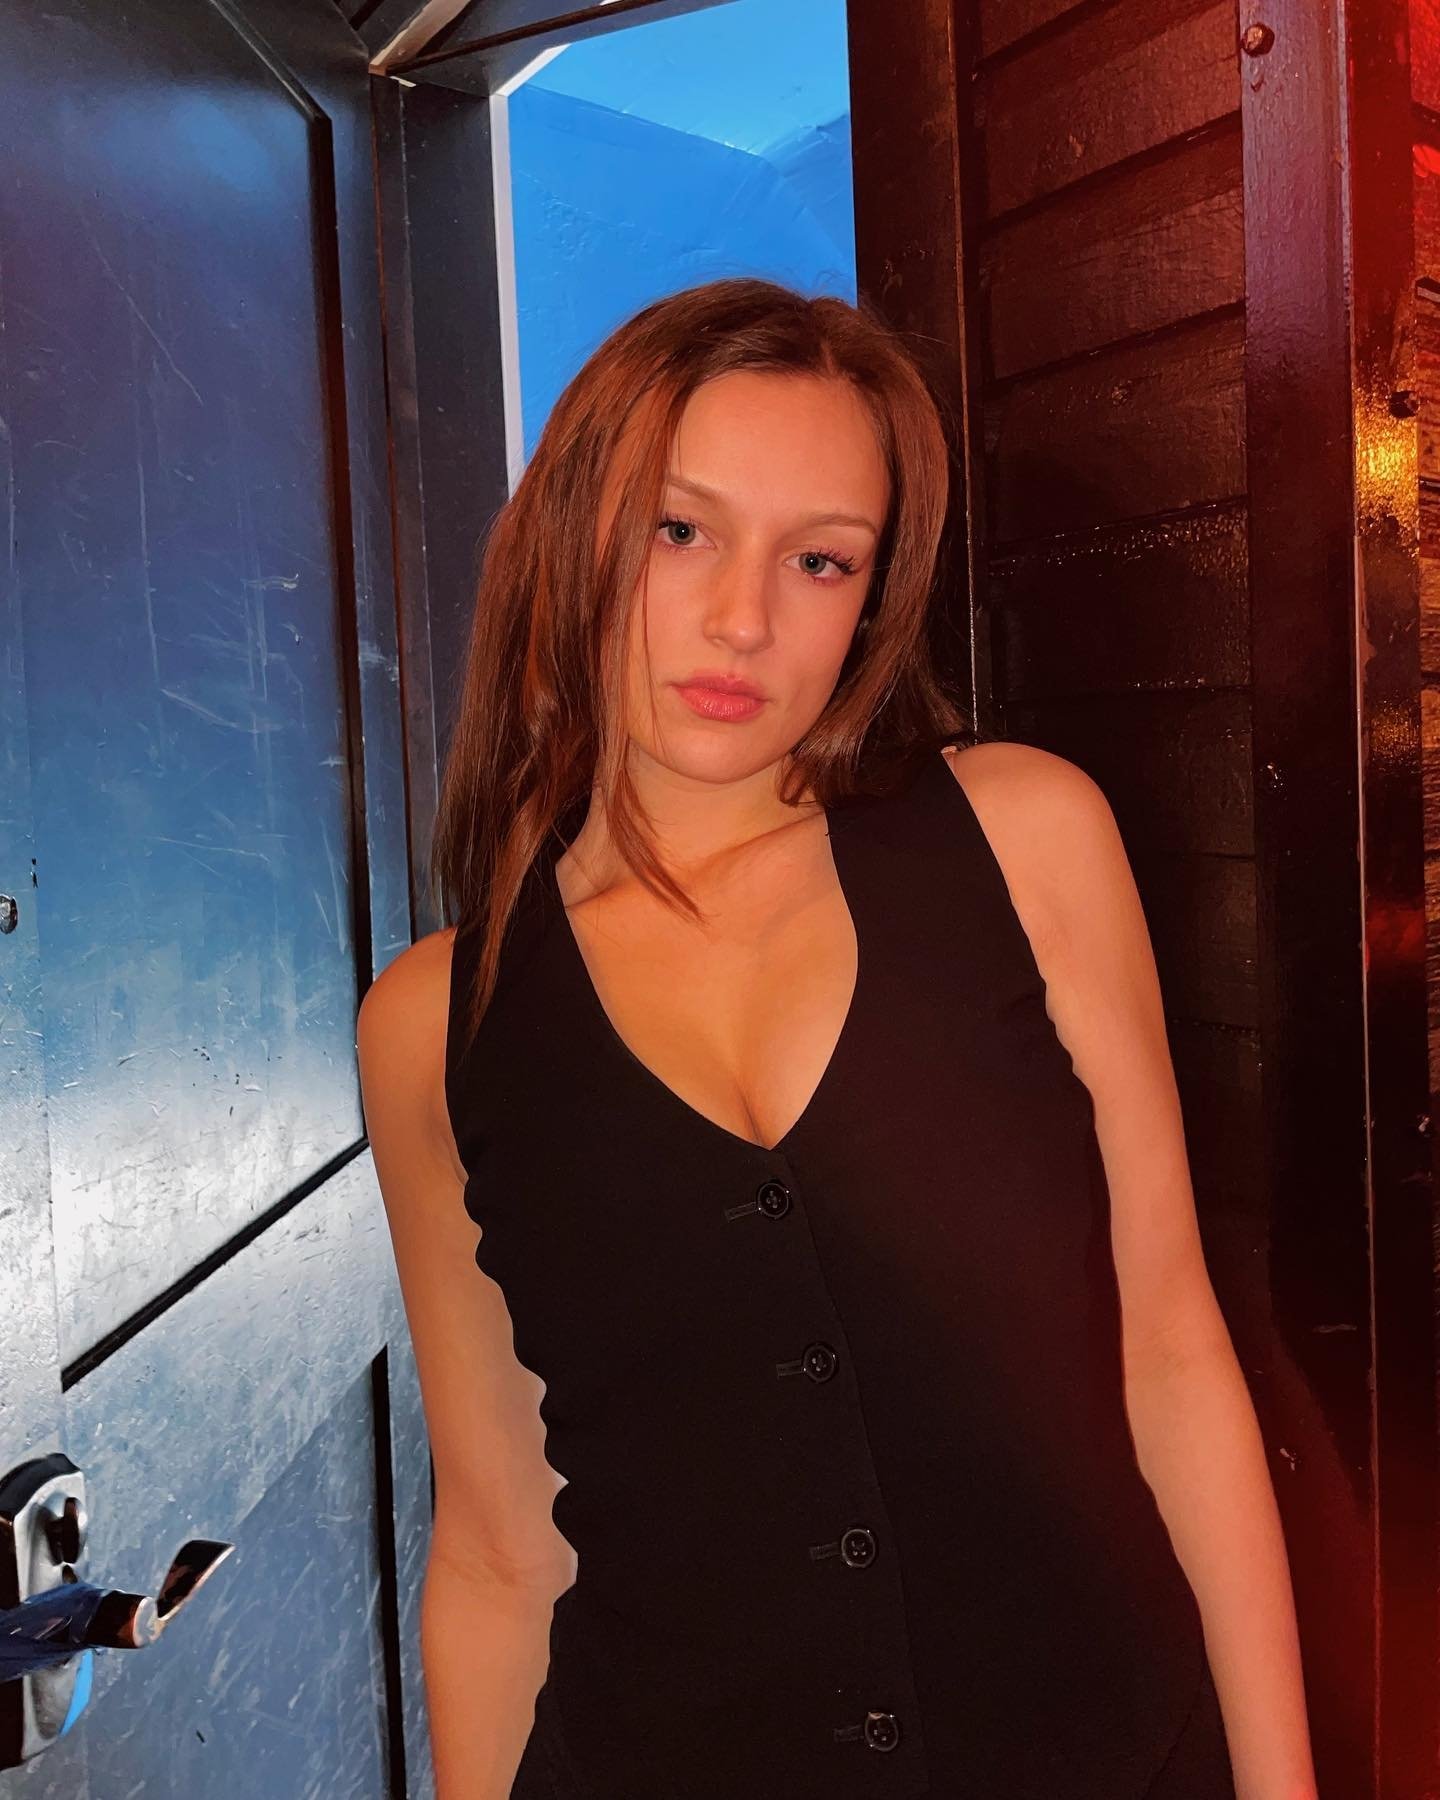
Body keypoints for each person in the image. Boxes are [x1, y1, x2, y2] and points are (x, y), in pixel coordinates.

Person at [357, 277, 1317, 1799]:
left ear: (873, 596)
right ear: (568, 535)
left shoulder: (1024, 839)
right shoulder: (435, 1020)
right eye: (680, 530)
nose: (743, 618)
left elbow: (1175, 1357)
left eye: (820, 560)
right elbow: (496, 1543)